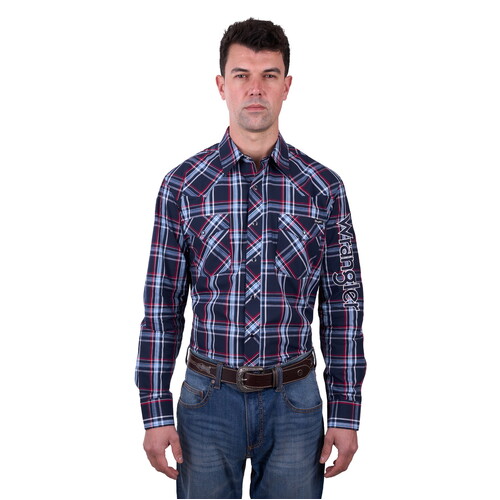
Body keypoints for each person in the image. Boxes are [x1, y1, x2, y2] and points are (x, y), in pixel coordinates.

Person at [135, 18, 366, 499]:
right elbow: (161, 307)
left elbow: (344, 308)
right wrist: (154, 410)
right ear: (222, 85)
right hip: (206, 401)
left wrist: (346, 411)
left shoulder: (324, 188)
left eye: (269, 75)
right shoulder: (183, 186)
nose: (255, 88)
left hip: (295, 405)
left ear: (287, 86)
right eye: (242, 75)